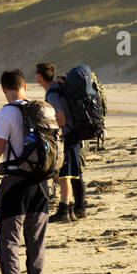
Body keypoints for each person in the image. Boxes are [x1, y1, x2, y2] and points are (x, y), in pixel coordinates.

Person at [0, 69, 55, 274]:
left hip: (15, 182)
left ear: (4, 89)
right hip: (41, 183)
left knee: (9, 241)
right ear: (25, 87)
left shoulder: (7, 111)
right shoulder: (41, 111)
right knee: (36, 242)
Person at [35, 61, 86, 222]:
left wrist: (51, 131)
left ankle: (65, 210)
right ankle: (77, 209)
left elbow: (61, 119)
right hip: (74, 134)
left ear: (40, 76)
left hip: (68, 135)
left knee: (66, 175)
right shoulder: (57, 89)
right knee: (73, 174)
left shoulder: (53, 93)